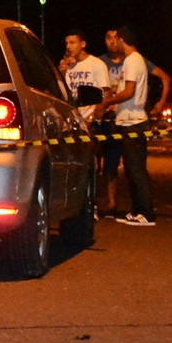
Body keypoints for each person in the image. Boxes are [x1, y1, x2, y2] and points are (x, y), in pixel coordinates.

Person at [101, 27, 156, 226]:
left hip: (133, 122)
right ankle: (137, 210)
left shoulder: (133, 60)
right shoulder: (135, 60)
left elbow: (130, 92)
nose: (115, 43)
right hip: (128, 120)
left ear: (123, 40)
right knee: (133, 170)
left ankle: (146, 213)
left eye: (118, 39)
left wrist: (109, 102)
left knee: (136, 170)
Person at [59, 29, 112, 213]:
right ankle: (74, 205)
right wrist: (60, 72)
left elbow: (106, 93)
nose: (68, 47)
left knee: (89, 164)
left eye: (73, 42)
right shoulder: (68, 67)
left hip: (89, 123)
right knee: (72, 166)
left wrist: (94, 116)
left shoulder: (96, 64)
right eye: (66, 43)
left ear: (83, 44)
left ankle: (92, 206)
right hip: (72, 122)